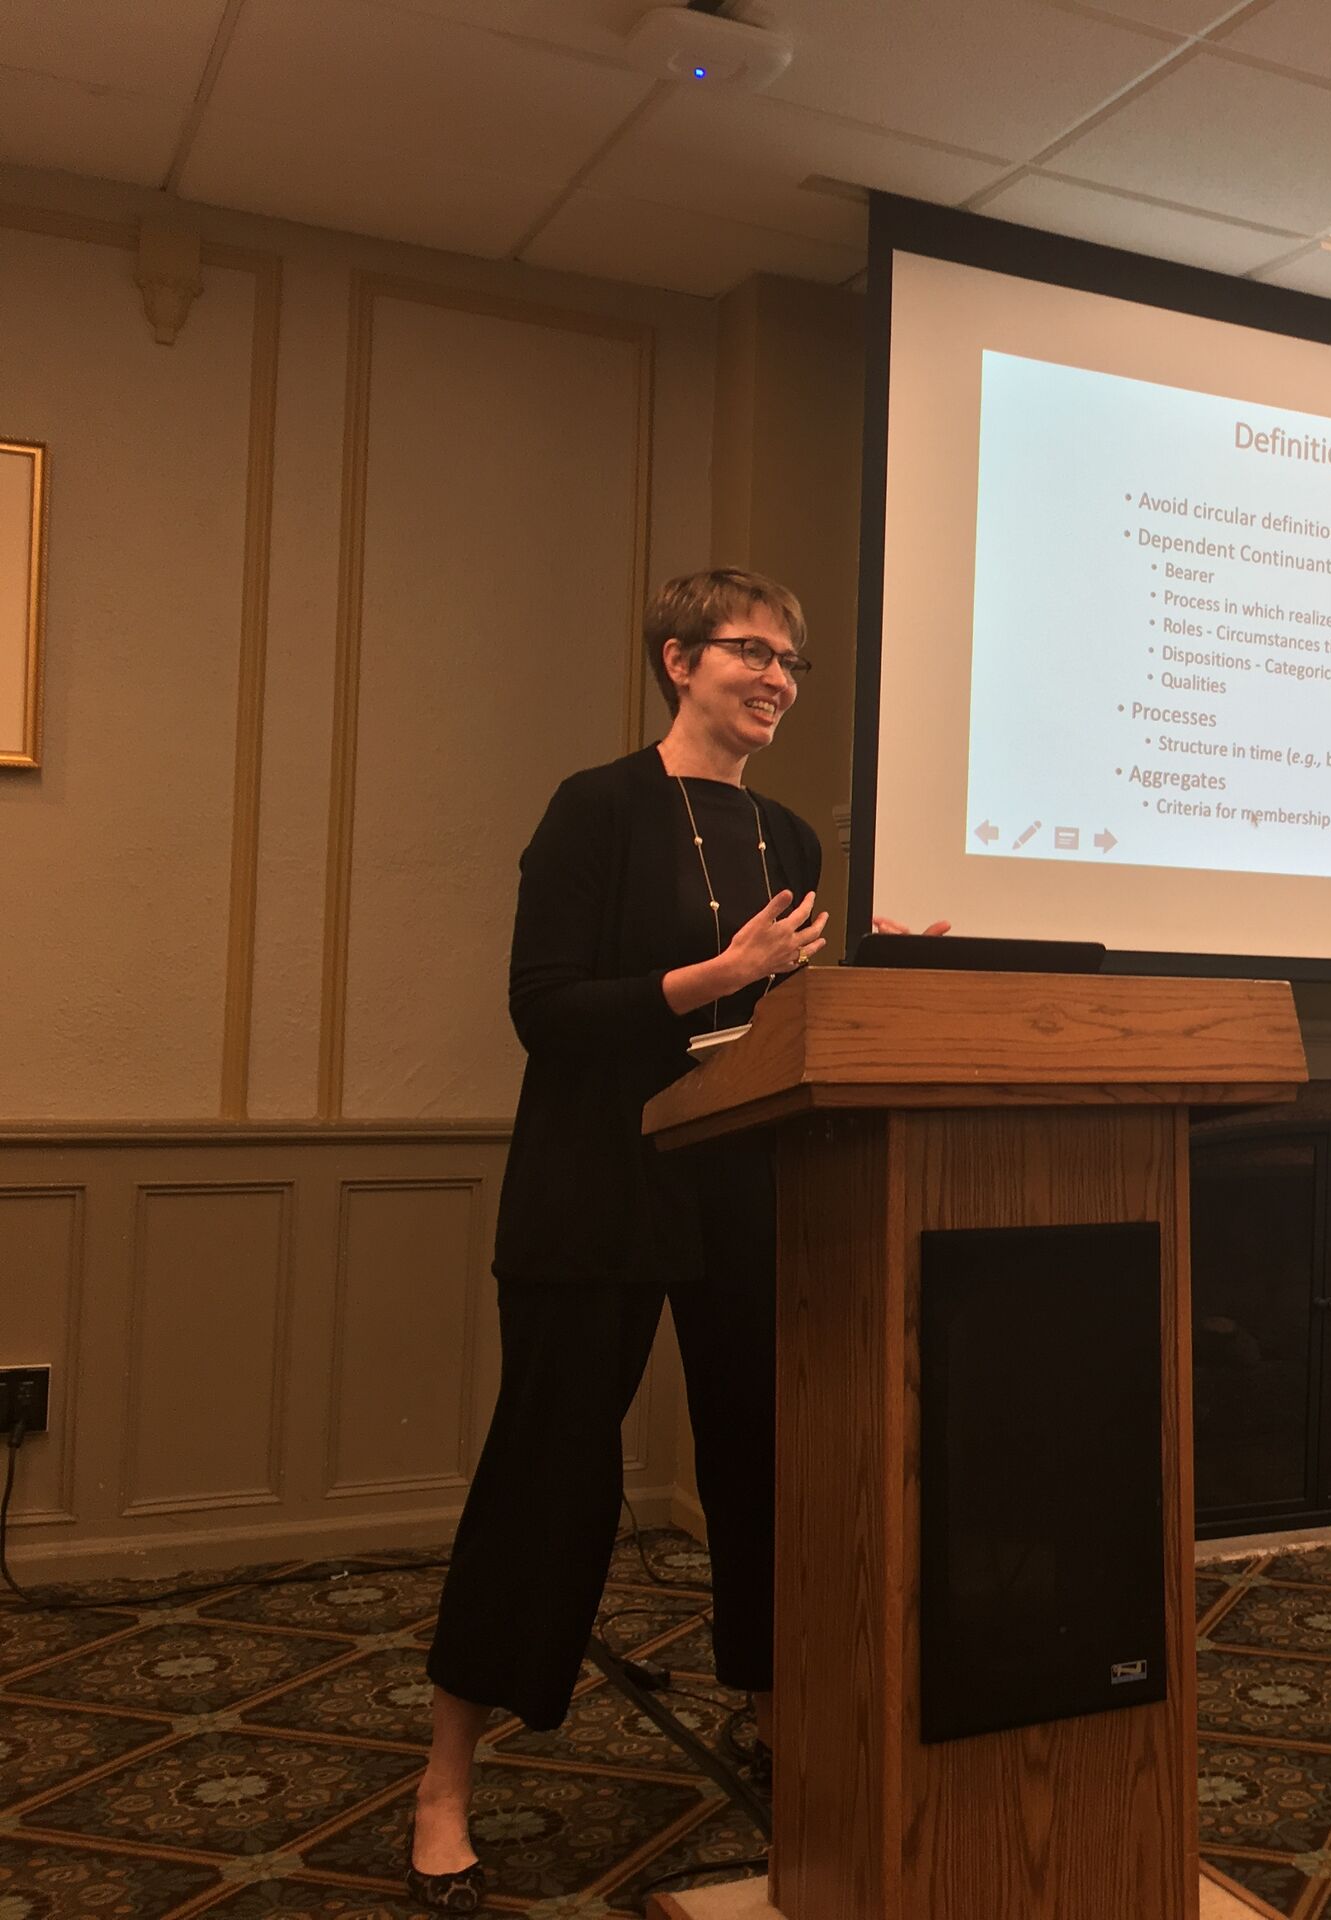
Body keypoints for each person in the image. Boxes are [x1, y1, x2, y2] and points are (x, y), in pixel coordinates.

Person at [407, 568, 831, 1913]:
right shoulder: (595, 807)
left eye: (791, 662)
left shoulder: (789, 837)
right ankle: (445, 1783)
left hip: (742, 1184)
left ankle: (771, 1709)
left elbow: (779, 1028)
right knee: (549, 1469)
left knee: (764, 1460)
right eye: (751, 651)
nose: (776, 678)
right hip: (596, 1179)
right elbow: (545, 1010)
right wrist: (723, 976)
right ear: (678, 660)